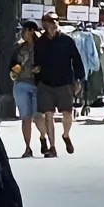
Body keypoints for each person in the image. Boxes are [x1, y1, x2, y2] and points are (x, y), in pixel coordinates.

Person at [34, 9, 85, 155]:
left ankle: (66, 135)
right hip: (46, 83)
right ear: (44, 24)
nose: (54, 23)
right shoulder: (40, 43)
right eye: (51, 20)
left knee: (67, 114)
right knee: (48, 115)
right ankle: (52, 147)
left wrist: (79, 79)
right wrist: (37, 76)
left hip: (65, 82)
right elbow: (37, 62)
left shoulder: (67, 40)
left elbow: (76, 60)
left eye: (56, 20)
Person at [8, 21, 41, 158]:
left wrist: (40, 69)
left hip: (37, 84)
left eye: (25, 30)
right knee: (26, 117)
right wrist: (15, 69)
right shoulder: (19, 47)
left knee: (39, 116)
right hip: (21, 83)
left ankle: (44, 139)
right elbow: (12, 64)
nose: (22, 33)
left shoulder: (41, 47)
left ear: (32, 31)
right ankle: (28, 147)